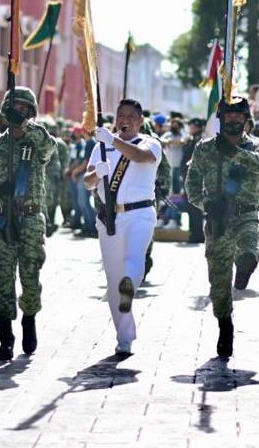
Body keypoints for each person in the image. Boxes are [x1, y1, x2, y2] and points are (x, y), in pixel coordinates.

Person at [185, 96, 259, 357]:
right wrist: (205, 204)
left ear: (246, 120)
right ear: (220, 119)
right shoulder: (204, 149)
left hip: (247, 214)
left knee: (250, 247)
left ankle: (245, 267)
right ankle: (224, 325)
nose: (233, 121)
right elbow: (191, 185)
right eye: (228, 117)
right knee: (218, 283)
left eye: (238, 117)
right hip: (218, 221)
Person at [0, 88, 55, 360]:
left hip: (30, 218)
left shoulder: (37, 142)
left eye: (24, 109)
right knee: (1, 278)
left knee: (30, 275)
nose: (18, 112)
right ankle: (5, 334)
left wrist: (23, 127)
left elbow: (49, 147)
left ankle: (29, 319)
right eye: (14, 108)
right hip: (0, 219)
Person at [84, 98, 160, 356]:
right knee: (113, 282)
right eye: (121, 115)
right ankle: (124, 337)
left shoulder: (150, 143)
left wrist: (113, 141)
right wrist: (97, 173)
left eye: (131, 116)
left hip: (139, 213)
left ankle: (131, 284)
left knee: (134, 259)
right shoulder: (102, 147)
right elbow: (87, 181)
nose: (125, 120)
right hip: (109, 218)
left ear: (140, 121)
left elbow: (140, 157)